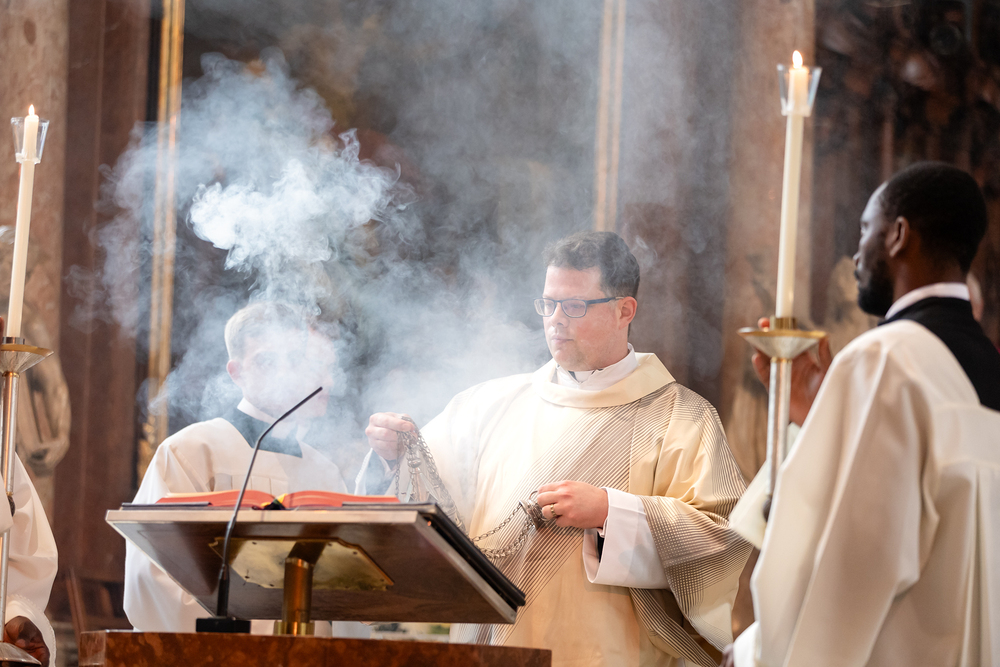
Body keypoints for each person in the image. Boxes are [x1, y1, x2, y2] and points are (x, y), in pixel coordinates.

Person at [363, 232, 752, 667]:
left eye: (574, 306)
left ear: (624, 310)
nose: (555, 320)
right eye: (548, 304)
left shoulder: (680, 418)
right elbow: (432, 515)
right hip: (489, 653)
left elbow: (722, 538)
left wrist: (610, 512)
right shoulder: (487, 405)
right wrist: (395, 458)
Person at [727, 162, 1000, 666]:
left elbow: (852, 566)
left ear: (898, 235)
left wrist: (752, 653)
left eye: (865, 229)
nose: (857, 254)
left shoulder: (885, 359)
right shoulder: (986, 366)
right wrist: (822, 422)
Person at [124, 302, 364, 636]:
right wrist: (268, 632)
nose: (284, 374)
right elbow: (154, 577)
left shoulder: (324, 472)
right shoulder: (191, 451)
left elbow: (348, 584)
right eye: (266, 361)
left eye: (295, 360)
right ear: (236, 373)